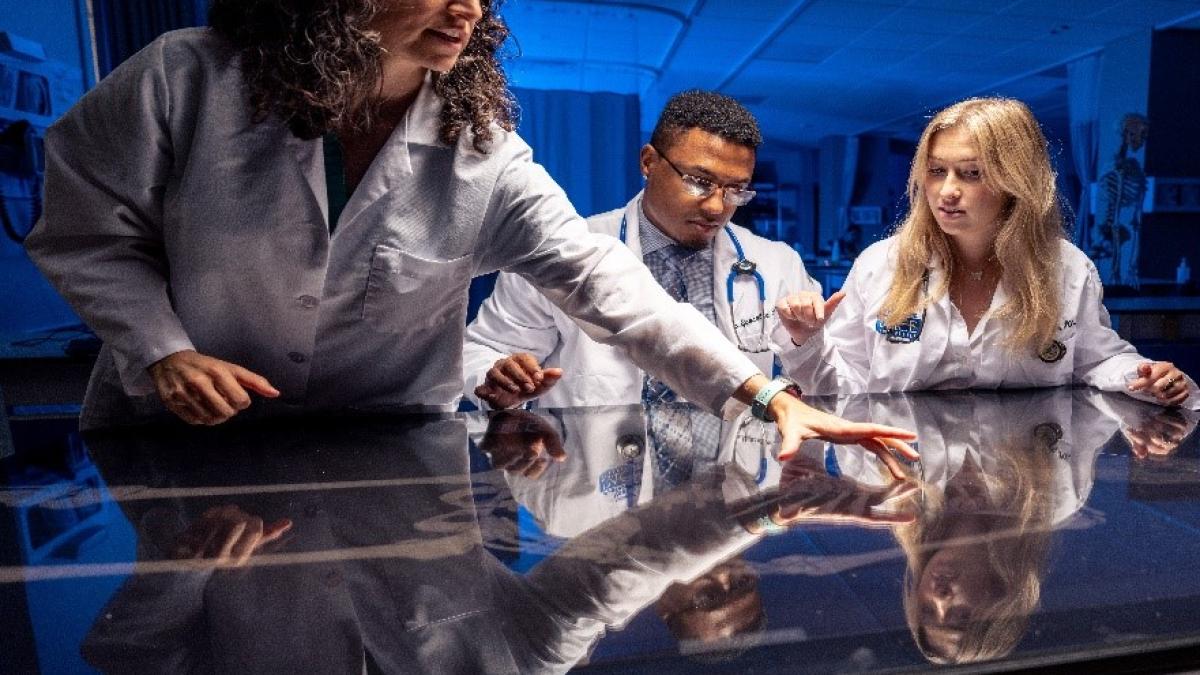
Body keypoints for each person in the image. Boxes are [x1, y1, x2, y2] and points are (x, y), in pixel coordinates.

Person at [22, 0, 916, 462]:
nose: (471, 12)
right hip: (186, 448)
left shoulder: (481, 150)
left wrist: (767, 397)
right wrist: (161, 346)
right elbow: (85, 232)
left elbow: (611, 285)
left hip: (382, 453)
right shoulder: (187, 81)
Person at [773, 97, 1195, 409]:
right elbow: (839, 385)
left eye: (971, 174)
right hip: (906, 475)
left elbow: (1095, 359)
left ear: (1016, 180)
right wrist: (805, 340)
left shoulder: (1066, 269)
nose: (947, 190)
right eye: (937, 171)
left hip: (1029, 474)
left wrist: (1141, 377)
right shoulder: (882, 265)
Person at [463, 90, 818, 410]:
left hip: (733, 474)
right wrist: (498, 375)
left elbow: (820, 390)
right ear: (648, 162)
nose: (716, 207)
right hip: (595, 470)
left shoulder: (778, 264)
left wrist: (805, 344)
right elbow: (482, 350)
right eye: (699, 182)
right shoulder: (562, 252)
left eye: (736, 190)